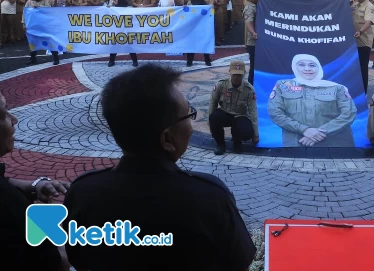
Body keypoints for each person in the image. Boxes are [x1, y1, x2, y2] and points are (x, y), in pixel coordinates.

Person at [63, 64, 256, 270]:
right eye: (188, 115)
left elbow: (76, 257)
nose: (191, 125)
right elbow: (239, 262)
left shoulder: (83, 193)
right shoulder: (210, 199)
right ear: (167, 138)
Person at [0, 92, 71, 270]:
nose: (14, 119)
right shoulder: (10, 204)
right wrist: (53, 230)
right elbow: (57, 264)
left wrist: (32, 185)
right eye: (2, 115)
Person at [268, 54, 357, 147]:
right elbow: (275, 112)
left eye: (312, 65)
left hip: (336, 144)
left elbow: (349, 113)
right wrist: (304, 130)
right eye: (301, 65)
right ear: (294, 66)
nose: (307, 69)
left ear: (319, 67)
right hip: (296, 143)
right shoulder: (283, 86)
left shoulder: (337, 88)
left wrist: (320, 133)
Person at [208, 60, 259, 155]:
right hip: (225, 113)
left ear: (244, 73)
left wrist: (255, 135)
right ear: (230, 72)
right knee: (214, 118)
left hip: (240, 115)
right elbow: (213, 103)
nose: (236, 77)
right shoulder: (221, 85)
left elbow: (253, 112)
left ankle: (237, 141)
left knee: (247, 132)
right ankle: (220, 144)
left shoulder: (249, 89)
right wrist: (211, 125)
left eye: (239, 75)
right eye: (234, 74)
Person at [24, 0, 60, 66]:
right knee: (33, 41)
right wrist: (24, 23)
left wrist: (40, 8)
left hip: (45, 25)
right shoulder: (29, 2)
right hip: (33, 26)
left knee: (50, 40)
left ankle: (56, 58)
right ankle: (33, 59)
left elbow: (49, 10)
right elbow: (25, 13)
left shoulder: (45, 1)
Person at [353, 0, 374, 93]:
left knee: (362, 68)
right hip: (354, 41)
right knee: (354, 68)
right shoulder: (355, 5)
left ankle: (363, 92)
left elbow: (369, 21)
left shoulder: (369, 6)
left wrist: (360, 31)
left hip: (364, 41)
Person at [244, 0, 260, 85]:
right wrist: (253, 32)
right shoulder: (249, 7)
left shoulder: (257, 4)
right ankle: (250, 87)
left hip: (258, 40)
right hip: (253, 42)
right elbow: (248, 22)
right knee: (254, 67)